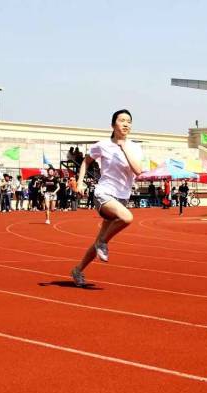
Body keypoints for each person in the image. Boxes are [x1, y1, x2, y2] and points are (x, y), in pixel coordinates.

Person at [71, 109, 143, 287]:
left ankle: (78, 270)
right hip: (104, 193)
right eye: (122, 120)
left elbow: (138, 171)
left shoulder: (134, 147)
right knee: (127, 218)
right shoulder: (102, 145)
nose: (126, 124)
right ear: (113, 125)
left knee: (99, 240)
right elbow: (86, 161)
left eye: (129, 121)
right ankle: (103, 243)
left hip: (122, 197)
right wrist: (80, 182)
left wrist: (124, 148)